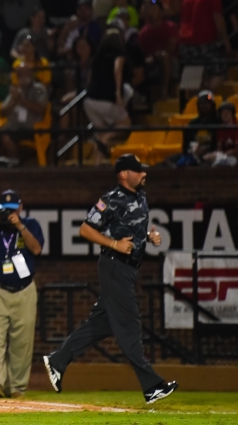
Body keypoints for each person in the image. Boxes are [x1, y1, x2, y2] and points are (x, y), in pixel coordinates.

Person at [44, 154, 178, 404]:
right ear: (124, 174)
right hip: (115, 267)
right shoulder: (110, 200)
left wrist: (149, 236)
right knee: (130, 325)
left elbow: (133, 228)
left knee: (101, 325)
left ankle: (57, 360)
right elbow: (85, 229)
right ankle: (152, 386)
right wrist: (113, 243)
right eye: (139, 170)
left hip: (127, 269)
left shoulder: (140, 196)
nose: (144, 174)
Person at [0, 190, 43, 398]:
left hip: (24, 291)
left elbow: (37, 249)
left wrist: (19, 226)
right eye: (5, 211)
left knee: (22, 342)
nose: (9, 215)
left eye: (12, 211)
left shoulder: (30, 224)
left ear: (20, 208)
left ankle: (17, 388)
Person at [84, 29, 132, 163]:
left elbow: (89, 78)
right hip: (105, 101)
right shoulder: (119, 54)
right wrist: (117, 93)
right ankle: (104, 140)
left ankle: (97, 163)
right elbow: (117, 69)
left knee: (101, 131)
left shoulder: (97, 58)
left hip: (89, 101)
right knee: (126, 123)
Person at [179, 0, 232, 90]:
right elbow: (218, 21)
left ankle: (192, 104)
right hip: (205, 42)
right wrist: (226, 42)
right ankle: (207, 99)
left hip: (186, 43)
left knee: (192, 76)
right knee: (219, 71)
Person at [0, 61, 49, 162]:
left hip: (30, 128)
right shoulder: (16, 90)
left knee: (5, 137)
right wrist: (14, 102)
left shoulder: (39, 89)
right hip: (13, 127)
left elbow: (41, 109)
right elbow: (2, 112)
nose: (22, 76)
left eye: (25, 72)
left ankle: (15, 162)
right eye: (20, 73)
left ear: (30, 73)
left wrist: (21, 100)